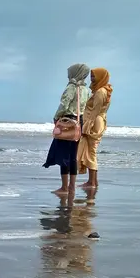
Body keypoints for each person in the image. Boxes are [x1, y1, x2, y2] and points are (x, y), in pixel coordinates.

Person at [43, 63, 91, 195]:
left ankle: (64, 187)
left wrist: (56, 117)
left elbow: (64, 104)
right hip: (79, 122)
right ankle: (72, 187)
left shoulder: (71, 87)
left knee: (63, 155)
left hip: (67, 121)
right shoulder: (85, 90)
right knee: (73, 155)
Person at [78, 67, 113, 188]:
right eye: (91, 76)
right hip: (99, 121)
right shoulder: (104, 90)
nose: (92, 78)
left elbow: (95, 111)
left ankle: (91, 182)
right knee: (91, 151)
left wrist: (86, 127)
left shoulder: (100, 92)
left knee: (91, 152)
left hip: (94, 122)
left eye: (94, 76)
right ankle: (93, 181)